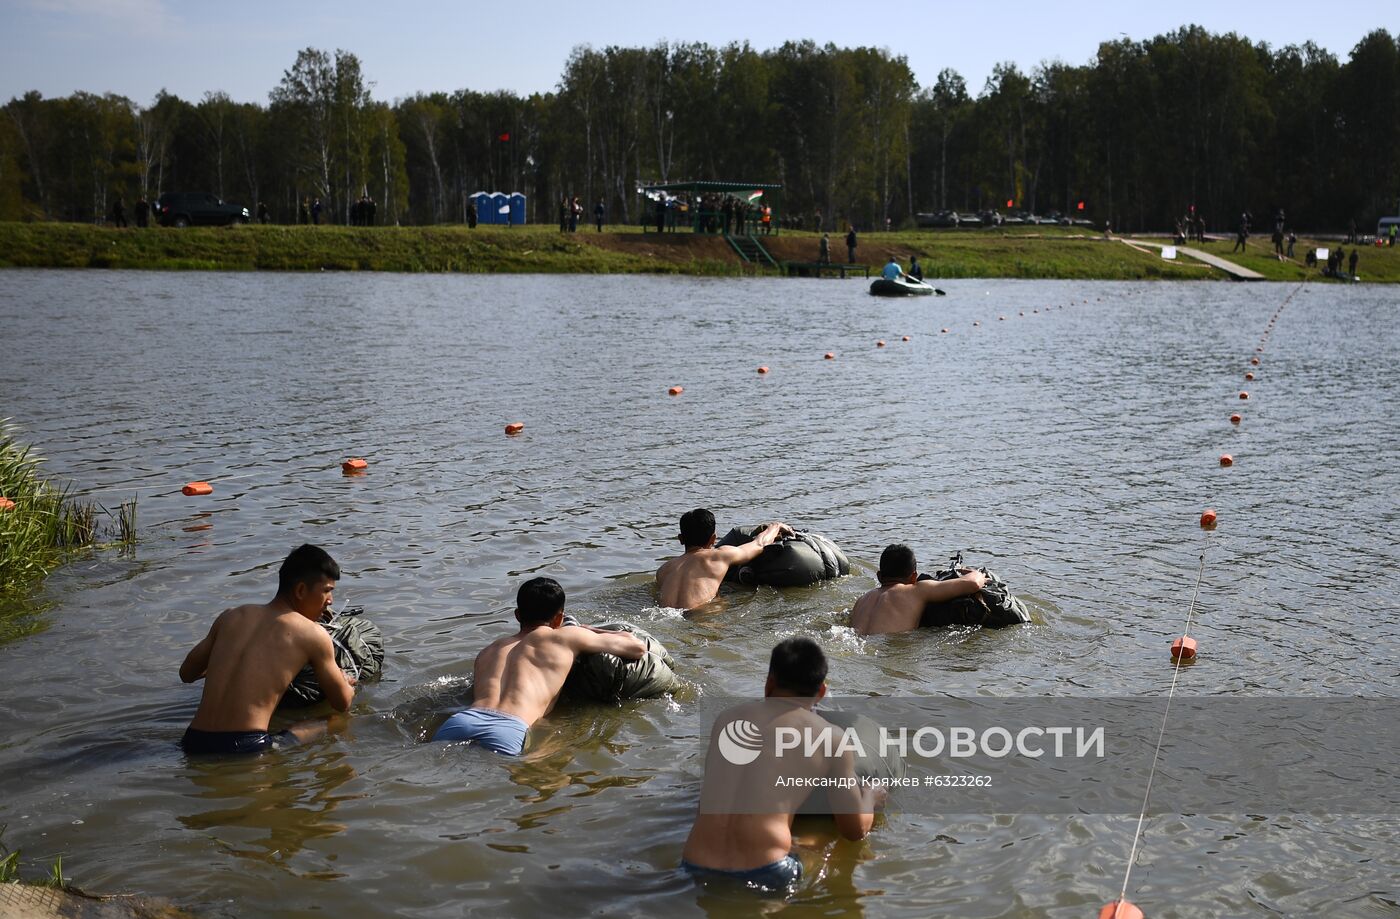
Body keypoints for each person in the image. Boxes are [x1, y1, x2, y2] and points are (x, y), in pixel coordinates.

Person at [681, 637, 884, 895]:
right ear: (821, 692)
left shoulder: (726, 720)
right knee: (828, 848)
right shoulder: (831, 738)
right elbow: (854, 830)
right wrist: (870, 796)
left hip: (694, 865)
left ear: (769, 683)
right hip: (766, 872)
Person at [433, 577, 645, 755]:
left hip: (461, 721)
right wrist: (589, 629)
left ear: (517, 615)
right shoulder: (565, 637)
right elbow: (636, 647)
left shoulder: (490, 649)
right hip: (511, 727)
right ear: (560, 617)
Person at [179, 544, 355, 755]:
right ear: (300, 590)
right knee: (336, 721)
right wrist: (346, 682)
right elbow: (341, 702)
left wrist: (225, 667)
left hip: (192, 742)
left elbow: (187, 674)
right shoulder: (312, 634)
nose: (330, 600)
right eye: (326, 590)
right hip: (246, 747)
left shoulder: (231, 616)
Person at [656, 510, 793, 611]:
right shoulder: (719, 556)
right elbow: (759, 544)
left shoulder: (663, 570)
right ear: (713, 539)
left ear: (680, 539)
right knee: (722, 602)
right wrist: (775, 526)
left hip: (665, 616)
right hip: (702, 617)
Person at [849, 544, 988, 636]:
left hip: (854, 643)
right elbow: (973, 584)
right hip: (889, 651)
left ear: (879, 576)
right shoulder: (917, 590)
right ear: (914, 577)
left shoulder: (862, 600)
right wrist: (978, 573)